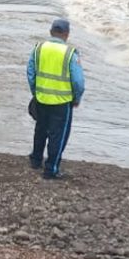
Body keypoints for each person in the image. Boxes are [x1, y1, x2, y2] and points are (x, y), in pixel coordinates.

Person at [27, 19, 85, 179]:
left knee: (40, 129)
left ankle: (36, 160)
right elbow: (78, 82)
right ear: (66, 34)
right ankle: (51, 169)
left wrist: (35, 92)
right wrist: (76, 98)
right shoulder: (70, 53)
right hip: (62, 101)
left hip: (41, 97)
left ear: (51, 31)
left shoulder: (38, 48)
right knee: (57, 135)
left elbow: (30, 72)